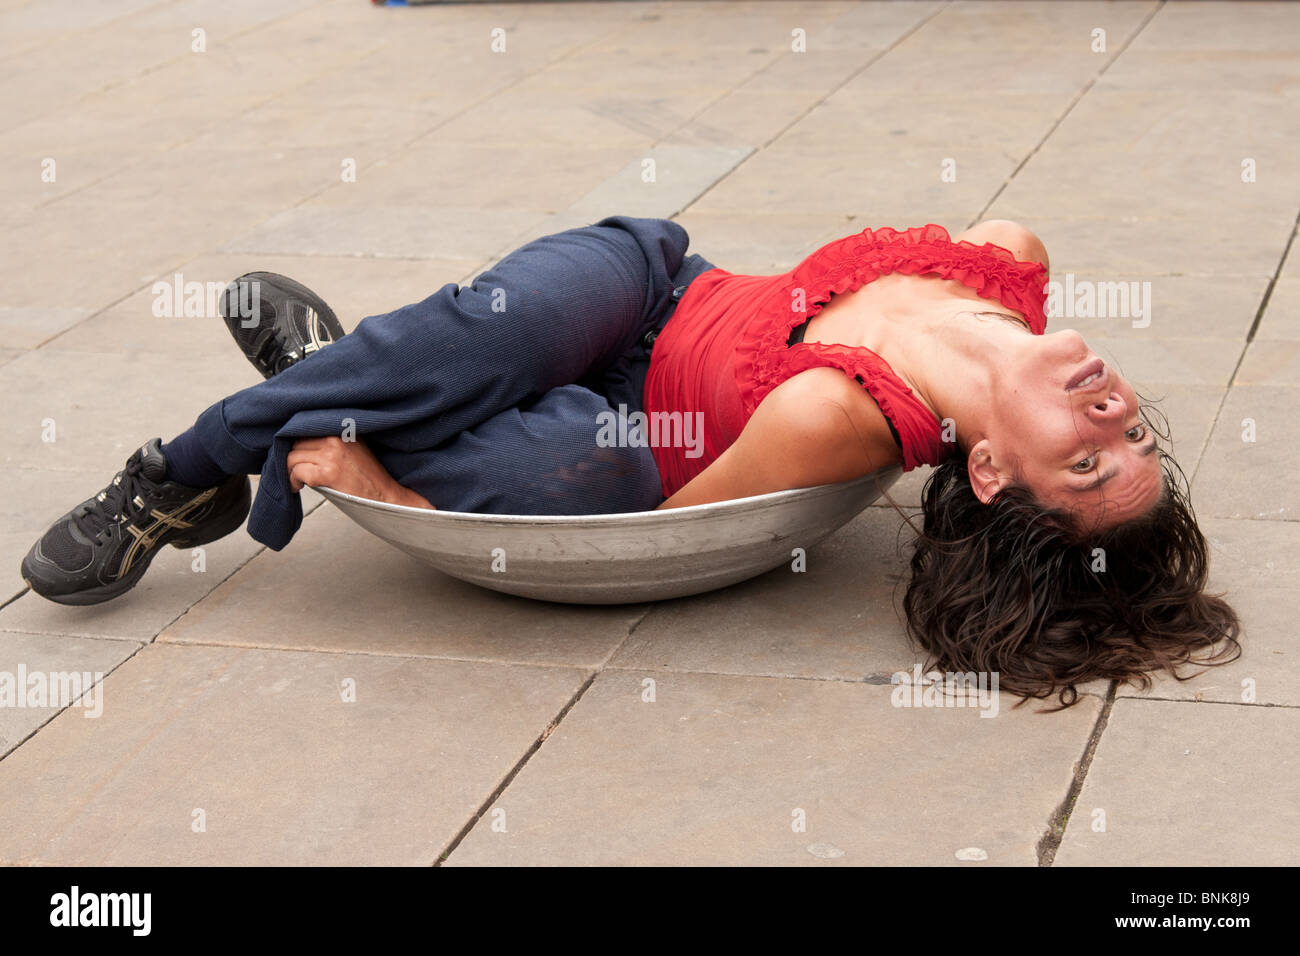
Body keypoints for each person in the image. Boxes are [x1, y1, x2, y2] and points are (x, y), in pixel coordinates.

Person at [20, 216, 1240, 708]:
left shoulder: (848, 419)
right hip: (651, 286)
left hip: (630, 425)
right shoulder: (1005, 254)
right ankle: (326, 409)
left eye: (1086, 465)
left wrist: (436, 498)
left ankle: (182, 468)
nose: (1115, 416)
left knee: (586, 475)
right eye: (1130, 441)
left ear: (986, 475)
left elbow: (659, 523)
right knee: (497, 327)